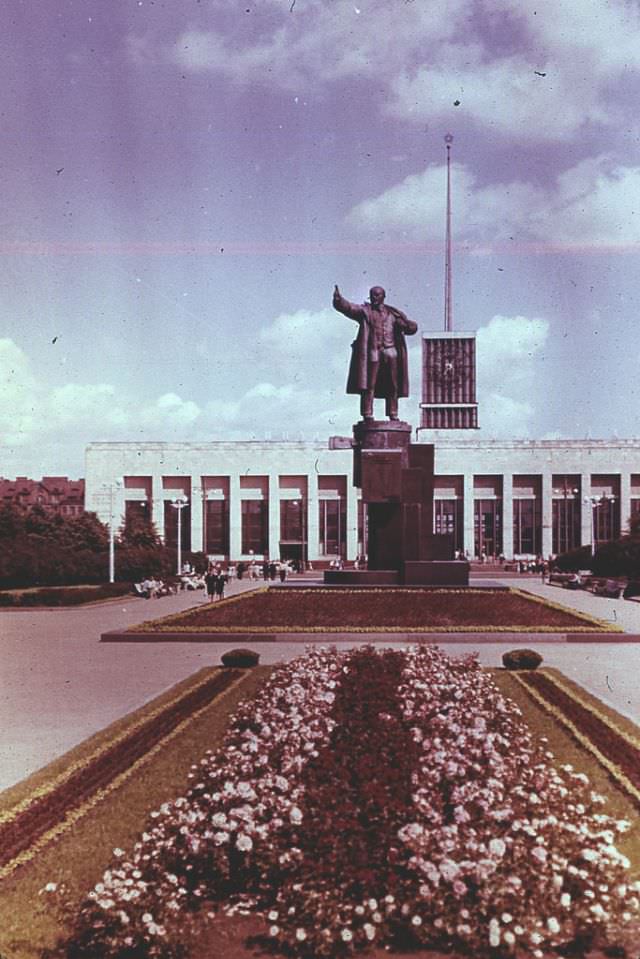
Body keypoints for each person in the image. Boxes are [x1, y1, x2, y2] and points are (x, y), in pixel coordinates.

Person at [332, 284, 418, 421]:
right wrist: (338, 300)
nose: (374, 297)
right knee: (368, 384)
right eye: (372, 295)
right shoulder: (365, 311)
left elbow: (411, 329)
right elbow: (349, 308)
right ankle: (367, 413)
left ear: (384, 297)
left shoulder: (393, 314)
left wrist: (407, 325)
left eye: (377, 295)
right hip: (373, 352)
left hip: (391, 352)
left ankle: (393, 413)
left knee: (393, 385)